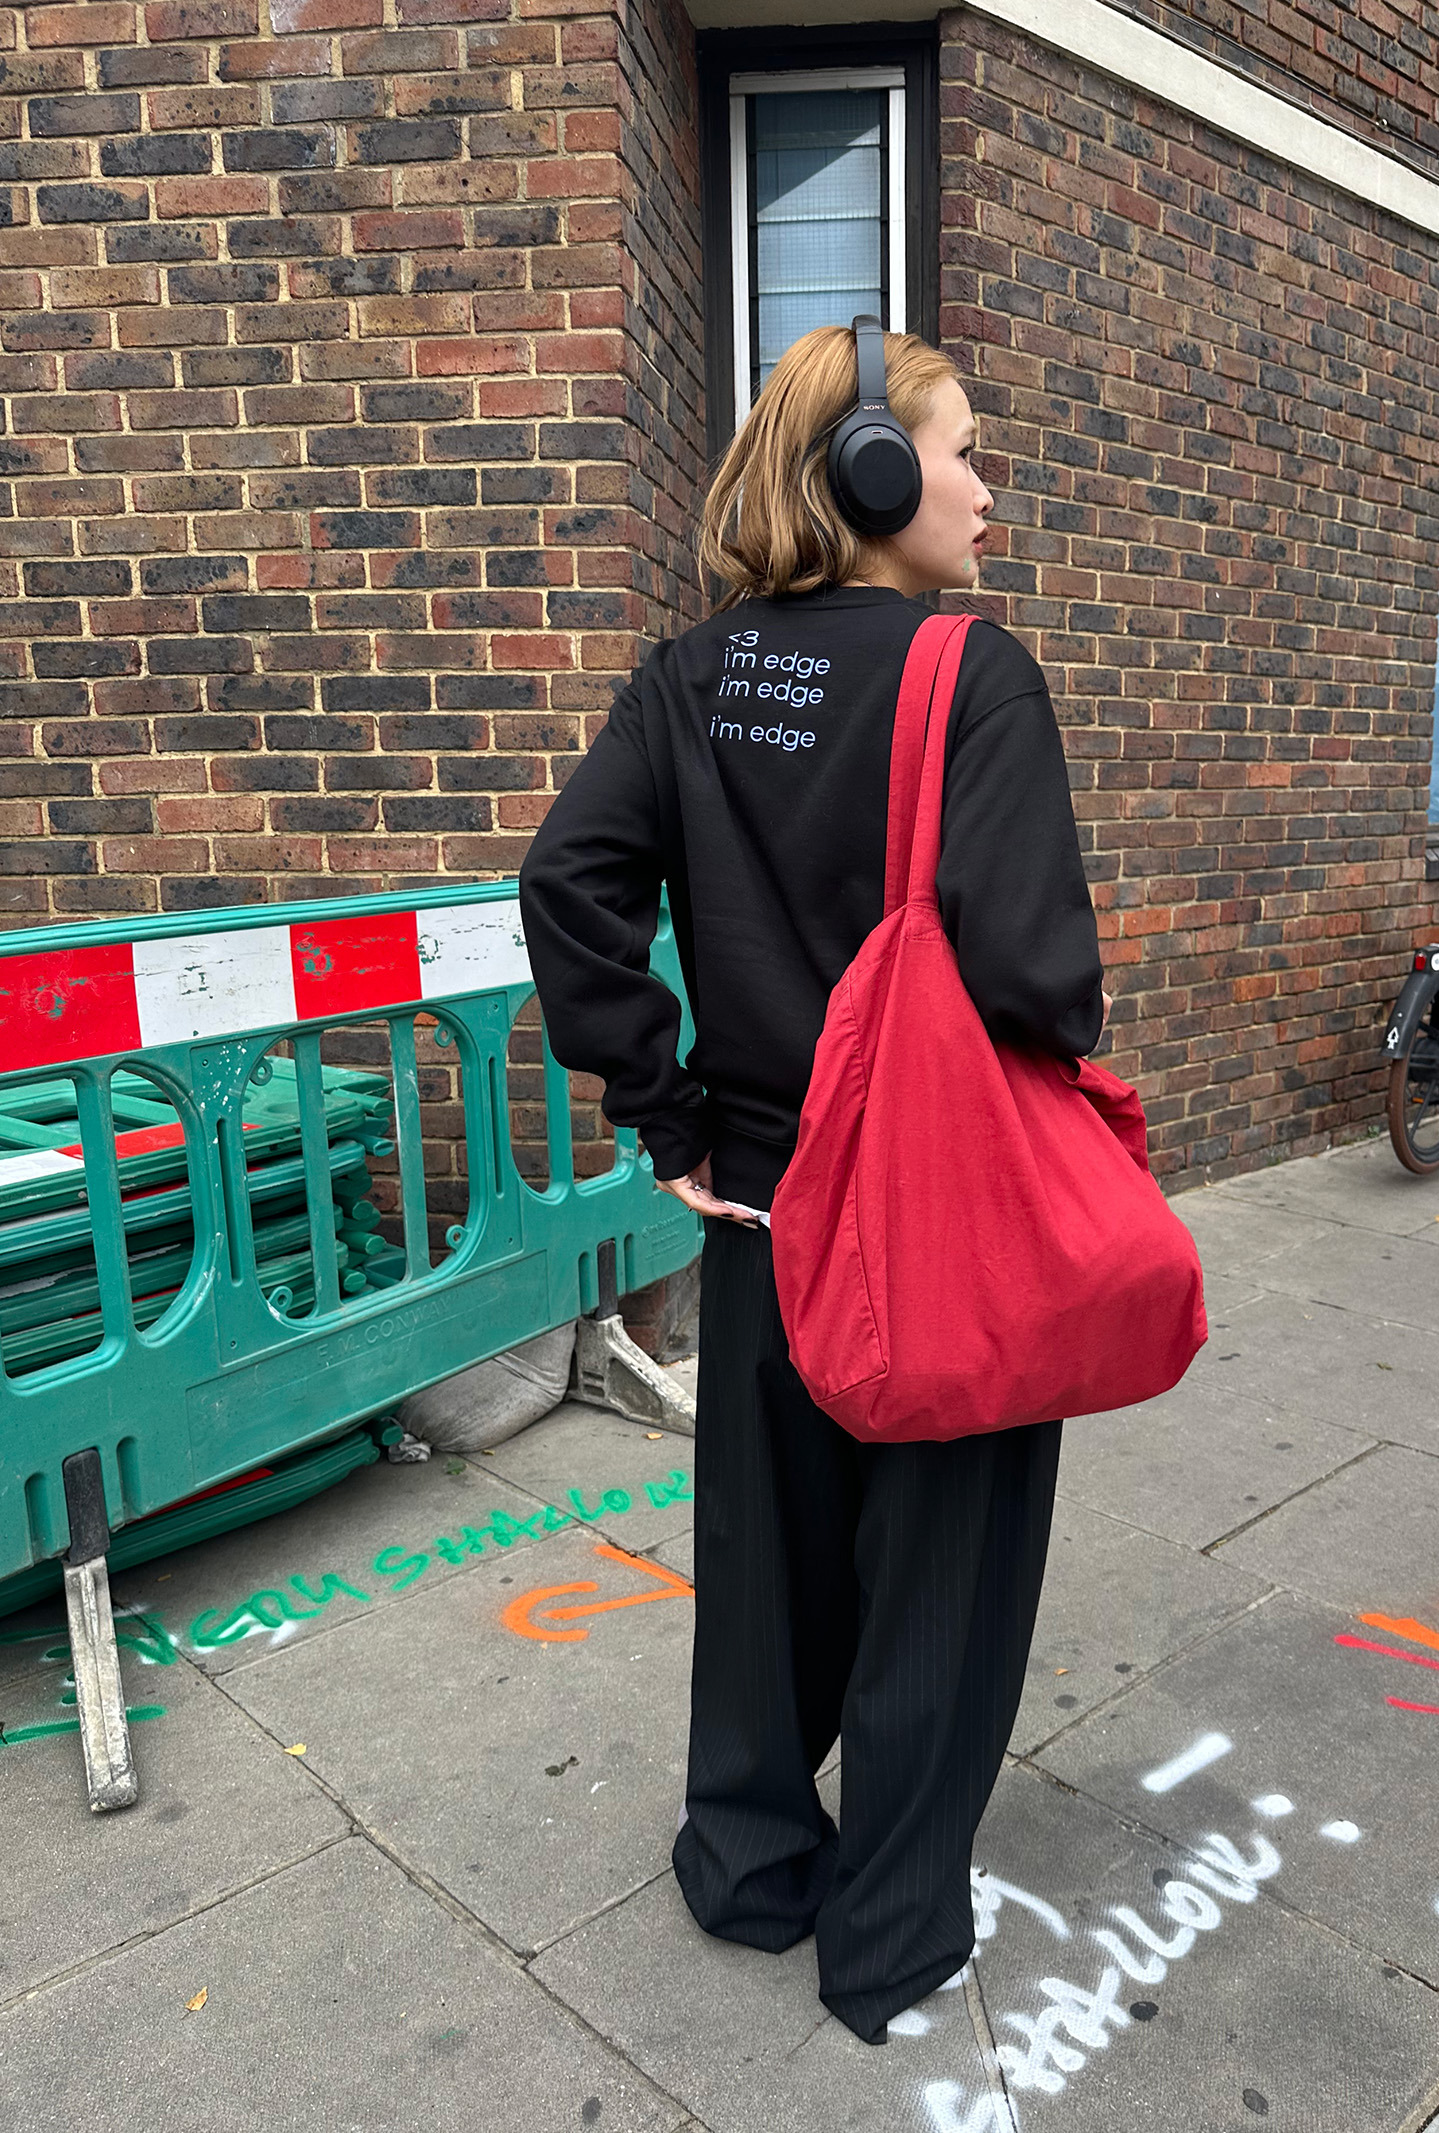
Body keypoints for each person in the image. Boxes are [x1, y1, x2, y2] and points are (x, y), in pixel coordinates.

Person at [517, 323, 1105, 2043]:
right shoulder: (973, 676)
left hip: (765, 1205)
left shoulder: (686, 678)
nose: (988, 492)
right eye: (964, 452)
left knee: (767, 1554)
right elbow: (1038, 979)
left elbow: (569, 882)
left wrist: (669, 1111)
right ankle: (891, 1930)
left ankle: (751, 1862)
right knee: (944, 1567)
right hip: (937, 1216)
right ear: (870, 473)